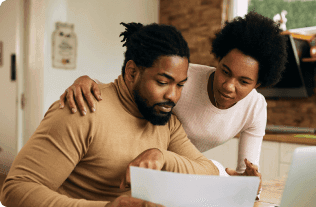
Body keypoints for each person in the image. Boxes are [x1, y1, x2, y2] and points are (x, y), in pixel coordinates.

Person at [60, 11, 288, 200]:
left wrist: (251, 183)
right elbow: (128, 88)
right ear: (218, 60)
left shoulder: (255, 108)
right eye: (225, 71)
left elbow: (244, 177)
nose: (228, 86)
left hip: (179, 173)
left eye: (243, 81)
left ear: (259, 83)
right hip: (135, 163)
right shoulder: (184, 78)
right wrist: (87, 82)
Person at [0, 22, 222, 207]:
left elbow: (209, 173)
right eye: (163, 82)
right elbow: (15, 190)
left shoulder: (166, 123)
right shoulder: (82, 109)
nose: (173, 96)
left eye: (180, 85)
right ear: (132, 72)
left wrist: (162, 156)